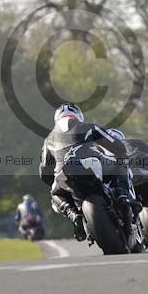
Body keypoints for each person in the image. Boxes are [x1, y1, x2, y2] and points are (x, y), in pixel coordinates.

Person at [38, 103, 136, 242]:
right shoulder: (88, 127)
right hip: (91, 163)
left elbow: (44, 172)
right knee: (121, 164)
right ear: (78, 116)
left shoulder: (48, 140)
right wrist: (121, 155)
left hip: (63, 173)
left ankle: (74, 215)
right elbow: (117, 146)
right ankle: (123, 195)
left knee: (55, 194)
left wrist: (56, 181)